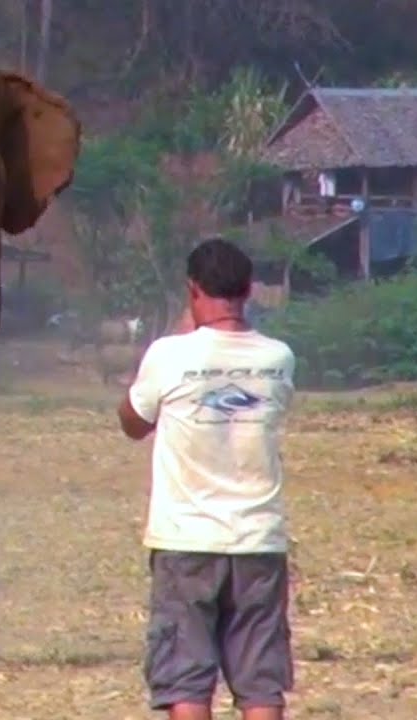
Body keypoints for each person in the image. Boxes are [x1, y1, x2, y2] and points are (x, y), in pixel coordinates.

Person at [117, 238, 297, 720]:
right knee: (261, 684)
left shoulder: (168, 356)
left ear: (193, 290)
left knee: (187, 683)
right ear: (249, 290)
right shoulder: (279, 358)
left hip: (186, 540)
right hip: (259, 540)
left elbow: (133, 423)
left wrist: (181, 332)